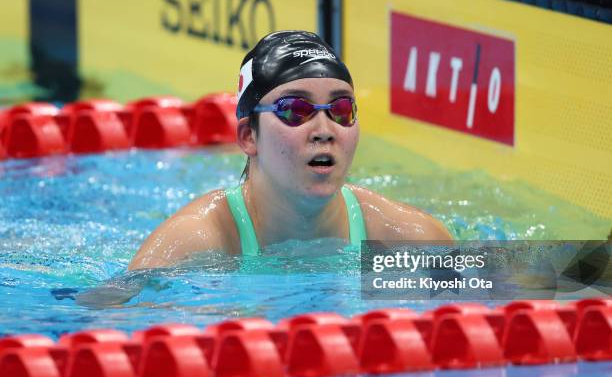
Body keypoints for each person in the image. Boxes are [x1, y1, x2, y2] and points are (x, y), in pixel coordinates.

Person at [128, 30, 452, 271]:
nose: (324, 131)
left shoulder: (407, 238)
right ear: (247, 137)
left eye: (340, 110)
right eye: (295, 109)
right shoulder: (191, 246)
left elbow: (495, 303)